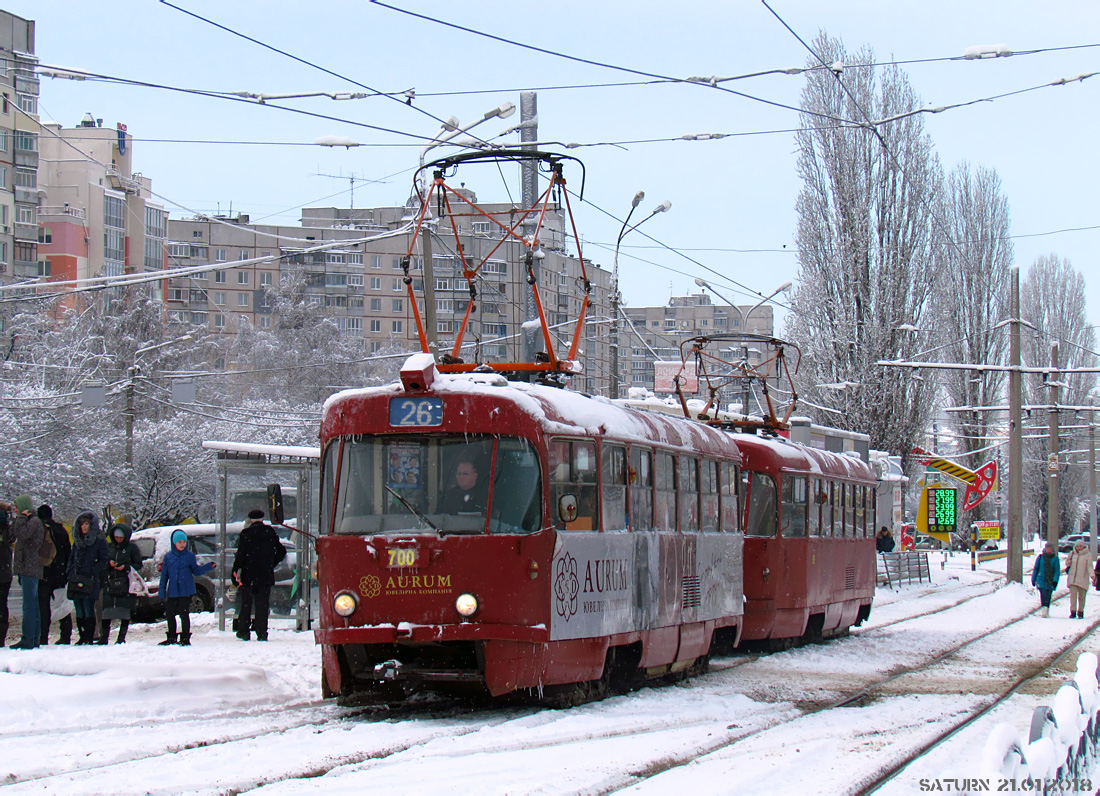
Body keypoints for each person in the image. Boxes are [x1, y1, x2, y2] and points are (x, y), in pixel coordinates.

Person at [232, 509, 287, 641]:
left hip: (248, 574)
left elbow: (240, 555)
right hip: (265, 575)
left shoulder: (246, 534)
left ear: (250, 520)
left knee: (246, 603)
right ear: (263, 519)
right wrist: (270, 563)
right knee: (262, 605)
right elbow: (281, 551)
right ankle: (262, 632)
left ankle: (244, 631)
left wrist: (236, 570)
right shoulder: (270, 532)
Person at [159, 528, 214, 646]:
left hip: (186, 590)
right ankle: (172, 637)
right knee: (170, 613)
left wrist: (208, 567)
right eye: (179, 542)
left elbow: (196, 571)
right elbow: (164, 575)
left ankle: (185, 638)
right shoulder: (168, 557)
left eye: (184, 542)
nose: (182, 544)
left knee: (184, 613)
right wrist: (162, 591)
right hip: (173, 590)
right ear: (174, 543)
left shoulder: (189, 556)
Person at [9, 495, 46, 649]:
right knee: (33, 604)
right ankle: (34, 637)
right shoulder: (32, 521)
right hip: (29, 568)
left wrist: (21, 518)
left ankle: (28, 638)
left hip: (30, 568)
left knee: (29, 605)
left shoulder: (33, 522)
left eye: (17, 507)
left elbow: (22, 534)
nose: (15, 510)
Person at [68, 511, 109, 645]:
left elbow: (104, 560)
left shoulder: (98, 541)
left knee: (88, 608)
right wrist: (70, 573)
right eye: (82, 524)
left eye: (86, 524)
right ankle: (82, 635)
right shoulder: (77, 542)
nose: (84, 527)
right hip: (76, 578)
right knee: (79, 609)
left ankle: (89, 636)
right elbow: (72, 559)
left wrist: (93, 570)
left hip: (90, 580)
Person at [99, 523, 143, 644]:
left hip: (126, 583)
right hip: (110, 582)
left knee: (124, 611)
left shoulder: (132, 548)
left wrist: (126, 567)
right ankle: (104, 637)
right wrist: (109, 564)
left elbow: (138, 564)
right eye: (116, 537)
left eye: (121, 538)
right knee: (107, 611)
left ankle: (121, 638)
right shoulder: (109, 547)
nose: (118, 540)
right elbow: (102, 562)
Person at [37, 504, 72, 645]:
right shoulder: (61, 530)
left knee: (43, 606)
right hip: (60, 573)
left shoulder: (41, 530)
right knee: (62, 604)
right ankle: (65, 635)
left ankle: (43, 636)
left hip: (44, 572)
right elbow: (67, 552)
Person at [1064, 540, 1094, 619]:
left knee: (1082, 597)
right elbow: (1066, 563)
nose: (1079, 548)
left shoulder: (1088, 555)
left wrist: (1092, 575)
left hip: (1083, 578)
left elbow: (1090, 566)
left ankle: (1080, 612)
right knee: (1073, 596)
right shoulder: (1072, 553)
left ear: (1084, 546)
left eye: (1080, 546)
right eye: (1077, 546)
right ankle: (1073, 611)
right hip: (1073, 578)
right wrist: (1068, 563)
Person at [1032, 541, 1061, 618]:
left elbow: (1057, 571)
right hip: (1041, 579)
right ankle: (1044, 611)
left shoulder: (1055, 559)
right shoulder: (1040, 557)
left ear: (1052, 550)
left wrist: (1055, 581)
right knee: (1043, 594)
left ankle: (1046, 610)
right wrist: (1033, 579)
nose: (1048, 550)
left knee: (1048, 596)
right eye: (1047, 549)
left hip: (1050, 580)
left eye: (1050, 549)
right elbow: (1036, 568)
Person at [0, 503, 12, 647]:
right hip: (5, 572)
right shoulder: (8, 529)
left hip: (4, 570)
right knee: (3, 605)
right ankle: (1, 636)